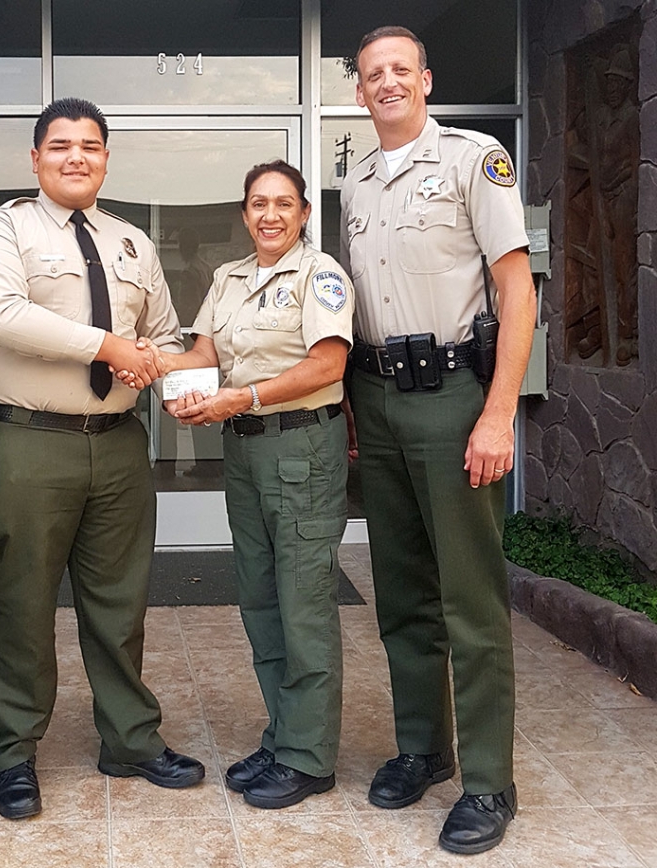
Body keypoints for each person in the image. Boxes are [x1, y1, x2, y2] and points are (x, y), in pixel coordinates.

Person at [0, 97, 204, 822]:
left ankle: (130, 739)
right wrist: (106, 348)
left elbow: (160, 332)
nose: (77, 157)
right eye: (61, 145)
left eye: (91, 146)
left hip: (118, 447)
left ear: (106, 158)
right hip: (27, 443)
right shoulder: (1, 228)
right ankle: (12, 751)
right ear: (35, 159)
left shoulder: (133, 243)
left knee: (120, 603)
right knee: (24, 604)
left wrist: (151, 365)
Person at [340, 26, 536, 854]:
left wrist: (499, 414)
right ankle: (424, 748)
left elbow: (517, 291)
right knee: (402, 594)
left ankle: (490, 783)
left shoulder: (472, 158)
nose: (386, 83)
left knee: (471, 600)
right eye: (371, 74)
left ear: (426, 79)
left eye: (399, 70)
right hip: (378, 399)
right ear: (358, 92)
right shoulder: (353, 182)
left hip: (456, 396)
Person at [133, 160, 354, 809]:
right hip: (247, 454)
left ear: (305, 214)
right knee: (260, 600)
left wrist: (245, 397)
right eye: (259, 203)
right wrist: (144, 363)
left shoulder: (321, 275)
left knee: (304, 603)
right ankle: (284, 735)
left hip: (301, 450)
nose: (270, 215)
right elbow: (203, 357)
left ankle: (310, 756)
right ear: (244, 212)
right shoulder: (229, 278)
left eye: (284, 203)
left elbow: (328, 363)